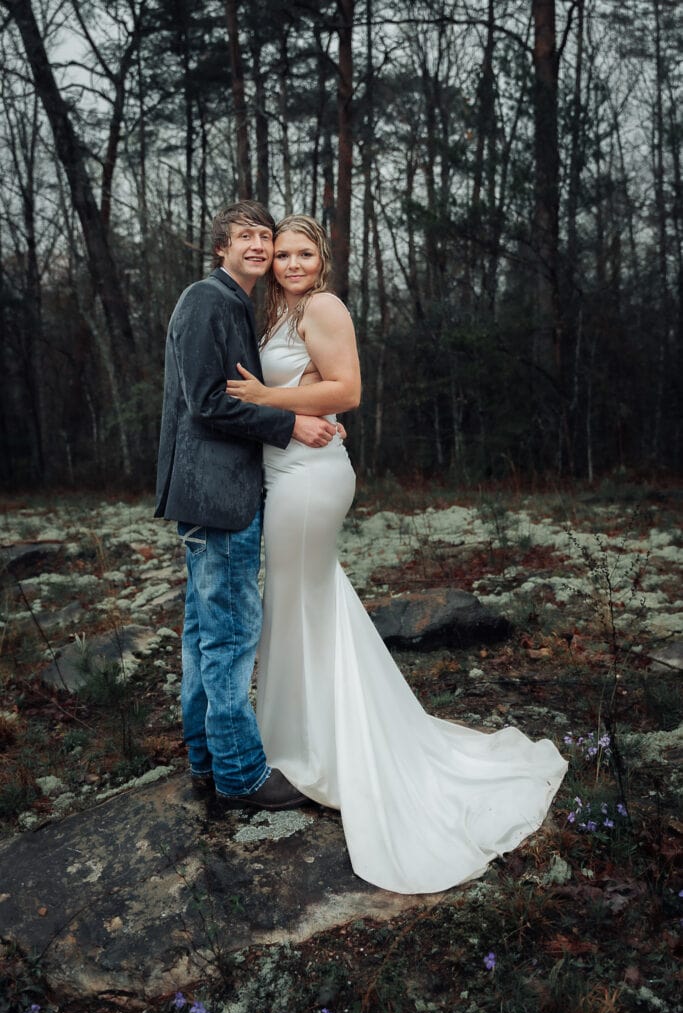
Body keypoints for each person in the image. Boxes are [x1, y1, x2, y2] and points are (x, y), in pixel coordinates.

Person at [226, 214, 567, 894]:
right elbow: (314, 390)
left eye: (302, 252)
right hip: (284, 473)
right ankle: (305, 737)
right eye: (282, 254)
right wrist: (281, 406)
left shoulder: (321, 306)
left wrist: (269, 396)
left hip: (307, 478)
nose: (290, 263)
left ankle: (308, 750)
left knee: (295, 606)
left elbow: (346, 390)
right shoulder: (273, 311)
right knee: (307, 606)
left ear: (320, 258)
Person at [155, 201, 338, 812]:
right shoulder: (210, 299)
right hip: (218, 494)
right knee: (230, 638)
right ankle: (241, 777)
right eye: (247, 237)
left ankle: (207, 763)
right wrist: (289, 427)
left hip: (214, 492)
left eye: (267, 235)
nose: (261, 245)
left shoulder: (235, 303)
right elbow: (208, 403)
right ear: (221, 247)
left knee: (204, 635)